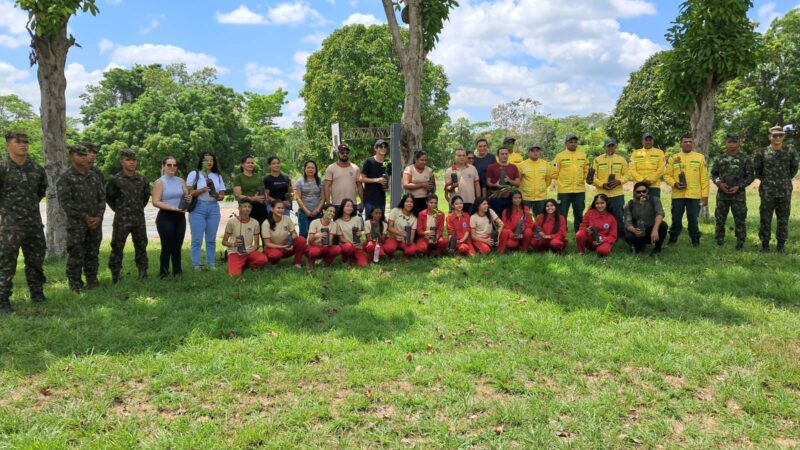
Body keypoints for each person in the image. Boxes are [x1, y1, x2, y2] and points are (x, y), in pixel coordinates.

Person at [0, 131, 48, 313]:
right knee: (6, 263)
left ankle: (37, 292)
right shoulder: (2, 168)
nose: (23, 144)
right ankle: (3, 299)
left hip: (34, 224)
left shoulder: (36, 169)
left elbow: (41, 190)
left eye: (26, 141)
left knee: (36, 260)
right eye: (18, 141)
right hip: (10, 226)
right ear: (8, 145)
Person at [57, 144, 105, 292]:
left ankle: (92, 280)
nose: (84, 157)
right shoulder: (66, 178)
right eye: (80, 155)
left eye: (85, 154)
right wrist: (85, 217)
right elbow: (66, 202)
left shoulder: (94, 176)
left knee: (93, 252)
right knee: (76, 253)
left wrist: (99, 216)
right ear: (72, 157)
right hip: (77, 224)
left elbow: (102, 198)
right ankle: (75, 284)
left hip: (95, 223)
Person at [105, 149, 150, 284]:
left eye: (134, 160)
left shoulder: (142, 179)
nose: (132, 162)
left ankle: (143, 272)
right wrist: (120, 210)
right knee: (117, 247)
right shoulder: (115, 180)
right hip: (121, 220)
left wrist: (136, 209)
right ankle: (116, 274)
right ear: (122, 162)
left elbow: (145, 198)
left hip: (138, 219)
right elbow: (109, 198)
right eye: (128, 160)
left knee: (141, 246)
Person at [754, 125, 798, 252]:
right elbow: (757, 171)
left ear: (784, 136)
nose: (777, 137)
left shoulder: (790, 152)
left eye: (780, 135)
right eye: (775, 135)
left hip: (784, 191)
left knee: (783, 219)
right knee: (765, 219)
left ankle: (781, 245)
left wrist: (783, 180)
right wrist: (768, 181)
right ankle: (765, 245)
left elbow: (794, 169)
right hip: (767, 191)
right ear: (770, 136)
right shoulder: (762, 152)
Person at [711, 134, 755, 251]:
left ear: (738, 143)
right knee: (720, 219)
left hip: (738, 196)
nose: (732, 144)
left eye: (734, 142)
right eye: (729, 142)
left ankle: (740, 243)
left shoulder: (745, 159)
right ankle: (719, 241)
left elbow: (750, 176)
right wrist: (719, 184)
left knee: (740, 220)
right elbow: (714, 174)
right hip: (722, 195)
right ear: (726, 143)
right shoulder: (720, 158)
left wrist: (739, 186)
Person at [664, 135, 709, 246]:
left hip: (694, 195)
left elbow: (704, 178)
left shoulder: (699, 158)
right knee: (676, 218)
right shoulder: (673, 158)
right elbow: (666, 175)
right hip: (678, 194)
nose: (688, 143)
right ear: (681, 143)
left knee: (693, 219)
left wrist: (705, 196)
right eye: (685, 141)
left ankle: (695, 240)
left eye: (690, 141)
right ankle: (673, 238)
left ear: (692, 143)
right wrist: (674, 184)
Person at [152, 156, 192, 279]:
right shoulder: (160, 182)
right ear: (163, 166)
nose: (172, 167)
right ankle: (164, 273)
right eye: (169, 165)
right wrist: (171, 208)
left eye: (174, 165)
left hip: (180, 217)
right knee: (167, 246)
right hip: (165, 217)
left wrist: (189, 199)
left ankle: (177, 272)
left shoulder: (181, 181)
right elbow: (155, 202)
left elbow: (186, 197)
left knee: (177, 246)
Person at [187, 152, 226, 270]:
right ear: (201, 161)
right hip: (198, 207)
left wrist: (217, 196)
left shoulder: (217, 176)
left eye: (211, 160)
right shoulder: (194, 174)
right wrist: (202, 190)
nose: (209, 162)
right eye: (206, 160)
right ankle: (196, 264)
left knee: (211, 238)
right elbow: (189, 192)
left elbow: (222, 195)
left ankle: (211, 263)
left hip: (213, 208)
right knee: (197, 238)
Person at [592, 138, 628, 237]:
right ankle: (603, 235)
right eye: (608, 146)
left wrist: (619, 181)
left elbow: (627, 174)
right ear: (604, 148)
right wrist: (602, 184)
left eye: (612, 146)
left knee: (618, 215)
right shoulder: (597, 160)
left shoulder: (621, 160)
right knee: (602, 216)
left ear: (615, 147)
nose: (610, 148)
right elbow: (593, 177)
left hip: (617, 194)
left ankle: (619, 235)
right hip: (602, 194)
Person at [553, 134, 589, 232]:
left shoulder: (583, 155)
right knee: (562, 213)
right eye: (570, 142)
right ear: (566, 143)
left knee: (579, 213)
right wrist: (561, 181)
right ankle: (562, 232)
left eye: (575, 142)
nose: (573, 144)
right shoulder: (559, 156)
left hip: (579, 190)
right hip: (564, 191)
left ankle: (579, 232)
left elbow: (586, 170)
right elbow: (554, 172)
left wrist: (584, 178)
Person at [223, 199, 268, 276]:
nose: (247, 209)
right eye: (244, 206)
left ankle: (246, 264)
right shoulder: (231, 222)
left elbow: (256, 245)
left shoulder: (255, 223)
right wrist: (233, 244)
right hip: (234, 252)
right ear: (239, 208)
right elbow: (224, 242)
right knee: (234, 274)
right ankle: (237, 262)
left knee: (263, 260)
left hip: (249, 251)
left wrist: (248, 252)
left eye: (249, 207)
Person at [623, 182, 668, 255]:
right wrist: (633, 230)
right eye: (638, 192)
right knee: (627, 235)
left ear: (647, 191)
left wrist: (655, 229)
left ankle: (657, 248)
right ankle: (638, 246)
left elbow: (660, 214)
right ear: (634, 192)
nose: (642, 193)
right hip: (638, 231)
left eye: (644, 191)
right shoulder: (630, 204)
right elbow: (627, 223)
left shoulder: (655, 200)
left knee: (663, 225)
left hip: (651, 230)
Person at [262, 200, 306, 268]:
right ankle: (273, 263)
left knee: (301, 240)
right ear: (272, 209)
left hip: (285, 247)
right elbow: (267, 243)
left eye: (282, 208)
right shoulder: (266, 223)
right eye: (278, 208)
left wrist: (291, 239)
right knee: (275, 255)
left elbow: (294, 233)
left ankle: (297, 263)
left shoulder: (287, 218)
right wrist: (282, 246)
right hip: (272, 248)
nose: (281, 210)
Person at [517, 144, 554, 215]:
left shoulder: (546, 164)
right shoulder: (521, 165)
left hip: (541, 197)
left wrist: (541, 188)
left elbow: (548, 179)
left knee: (540, 217)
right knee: (524, 216)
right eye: (533, 151)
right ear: (529, 153)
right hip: (526, 197)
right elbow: (518, 181)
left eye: (537, 151)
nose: (535, 153)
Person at [324, 144, 363, 208]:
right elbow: (326, 187)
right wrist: (328, 204)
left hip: (352, 204)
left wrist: (362, 202)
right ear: (338, 154)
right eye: (342, 153)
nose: (345, 154)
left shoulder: (355, 168)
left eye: (347, 153)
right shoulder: (331, 168)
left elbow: (359, 186)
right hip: (337, 205)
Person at [232, 155, 268, 224]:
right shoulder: (238, 178)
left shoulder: (258, 176)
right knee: (248, 229)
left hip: (261, 207)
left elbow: (263, 191)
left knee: (263, 228)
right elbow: (238, 196)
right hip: (246, 207)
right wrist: (253, 198)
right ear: (242, 165)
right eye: (248, 163)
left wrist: (264, 197)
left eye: (252, 163)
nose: (250, 164)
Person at [486, 147, 521, 216]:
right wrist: (495, 185)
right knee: (497, 219)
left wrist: (509, 180)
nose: (504, 156)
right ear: (498, 155)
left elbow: (518, 183)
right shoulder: (491, 167)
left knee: (509, 217)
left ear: (508, 155)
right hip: (496, 198)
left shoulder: (513, 167)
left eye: (506, 154)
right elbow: (488, 182)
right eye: (502, 154)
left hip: (509, 198)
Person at [444, 148, 480, 214]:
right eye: (459, 155)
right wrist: (452, 187)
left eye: (463, 155)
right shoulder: (449, 171)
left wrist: (478, 200)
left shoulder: (472, 168)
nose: (462, 157)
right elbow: (447, 188)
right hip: (456, 203)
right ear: (455, 156)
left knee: (470, 220)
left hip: (470, 202)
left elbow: (477, 184)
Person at [629, 132, 665, 198]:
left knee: (654, 204)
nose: (648, 142)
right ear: (642, 141)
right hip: (639, 186)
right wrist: (641, 180)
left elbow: (661, 169)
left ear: (653, 141)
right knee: (638, 204)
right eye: (646, 140)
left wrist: (650, 180)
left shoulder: (659, 153)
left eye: (650, 140)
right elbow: (632, 169)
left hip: (654, 186)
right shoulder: (635, 153)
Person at [334, 198, 368, 267]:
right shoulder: (337, 222)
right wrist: (351, 244)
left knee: (363, 264)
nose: (350, 208)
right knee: (348, 247)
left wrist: (360, 233)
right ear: (342, 207)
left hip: (357, 246)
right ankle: (345, 259)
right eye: (348, 206)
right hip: (346, 245)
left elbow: (359, 234)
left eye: (352, 206)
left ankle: (353, 258)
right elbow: (341, 238)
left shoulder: (357, 219)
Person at [305, 203, 342, 267]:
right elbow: (309, 242)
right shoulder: (314, 222)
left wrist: (328, 238)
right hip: (313, 246)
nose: (332, 213)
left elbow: (330, 243)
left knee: (337, 249)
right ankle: (310, 261)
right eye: (330, 211)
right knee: (314, 251)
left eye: (334, 212)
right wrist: (316, 235)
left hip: (324, 246)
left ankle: (326, 263)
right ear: (324, 211)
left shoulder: (334, 224)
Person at [361, 139, 389, 218]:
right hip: (370, 199)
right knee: (369, 222)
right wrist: (376, 180)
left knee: (381, 221)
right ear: (375, 148)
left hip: (382, 198)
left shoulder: (387, 162)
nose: (383, 148)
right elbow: (361, 178)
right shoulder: (369, 161)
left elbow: (389, 177)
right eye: (381, 147)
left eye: (385, 147)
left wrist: (388, 186)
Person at [384, 193, 418, 259]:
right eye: (407, 201)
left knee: (412, 250)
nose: (409, 204)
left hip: (404, 241)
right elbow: (389, 227)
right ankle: (390, 255)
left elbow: (412, 235)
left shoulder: (414, 218)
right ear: (403, 202)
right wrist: (401, 233)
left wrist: (408, 242)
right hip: (393, 238)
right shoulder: (395, 211)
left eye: (411, 202)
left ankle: (405, 255)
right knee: (389, 248)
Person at [295, 160, 323, 238]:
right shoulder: (300, 181)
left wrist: (317, 210)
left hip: (317, 213)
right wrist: (306, 210)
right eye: (308, 167)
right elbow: (298, 198)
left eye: (313, 168)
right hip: (303, 212)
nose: (311, 169)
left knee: (317, 235)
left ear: (316, 169)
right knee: (303, 234)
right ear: (305, 169)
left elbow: (323, 198)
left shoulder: (320, 181)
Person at [402, 149, 435, 215]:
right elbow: (405, 185)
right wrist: (422, 185)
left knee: (424, 219)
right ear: (416, 160)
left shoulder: (429, 170)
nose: (424, 162)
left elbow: (433, 185)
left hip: (425, 200)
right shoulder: (409, 169)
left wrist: (431, 191)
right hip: (412, 200)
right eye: (422, 160)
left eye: (425, 160)